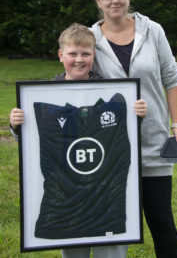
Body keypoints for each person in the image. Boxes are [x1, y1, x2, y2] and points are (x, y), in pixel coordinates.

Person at [10, 23, 147, 258]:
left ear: (94, 56)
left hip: (106, 198)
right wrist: (16, 125)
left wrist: (137, 116)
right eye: (72, 54)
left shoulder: (113, 93)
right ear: (61, 55)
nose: (79, 60)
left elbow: (122, 137)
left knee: (111, 251)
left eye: (86, 54)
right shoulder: (45, 95)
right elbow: (33, 139)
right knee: (74, 251)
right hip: (67, 200)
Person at [91, 0, 177, 258]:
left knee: (161, 221)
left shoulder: (152, 30)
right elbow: (77, 80)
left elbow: (171, 76)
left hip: (153, 141)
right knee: (116, 227)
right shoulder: (90, 37)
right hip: (112, 149)